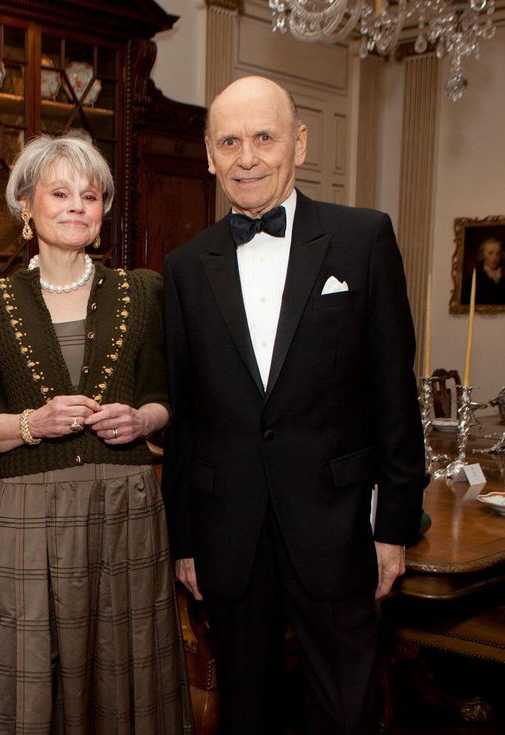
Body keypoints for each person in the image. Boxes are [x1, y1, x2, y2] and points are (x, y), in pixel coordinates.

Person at [162, 75, 426, 734]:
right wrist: (185, 539)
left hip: (337, 527)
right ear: (208, 153)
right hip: (230, 533)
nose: (246, 156)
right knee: (246, 710)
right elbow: (186, 412)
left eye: (263, 137)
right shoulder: (187, 265)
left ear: (298, 143)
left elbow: (395, 392)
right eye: (230, 141)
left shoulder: (362, 240)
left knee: (345, 708)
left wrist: (393, 525)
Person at [0, 135, 185, 734]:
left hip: (127, 506)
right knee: (34, 671)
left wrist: (140, 420)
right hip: (30, 509)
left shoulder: (144, 290)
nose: (77, 206)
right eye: (60, 193)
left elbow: (166, 399)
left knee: (124, 663)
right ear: (26, 206)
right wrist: (35, 423)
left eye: (90, 195)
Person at [467, 236, 504, 305]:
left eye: (498, 253)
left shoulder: (502, 277)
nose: (495, 257)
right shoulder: (473, 278)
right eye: (490, 253)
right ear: (482, 255)